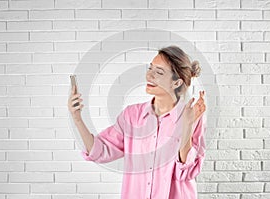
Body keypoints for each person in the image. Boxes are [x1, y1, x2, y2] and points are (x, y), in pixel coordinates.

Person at [68, 45, 207, 199]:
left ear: (176, 83)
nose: (149, 76)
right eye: (150, 69)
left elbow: (187, 173)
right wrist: (77, 118)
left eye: (159, 72)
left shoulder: (191, 116)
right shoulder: (132, 116)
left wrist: (187, 127)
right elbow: (99, 151)